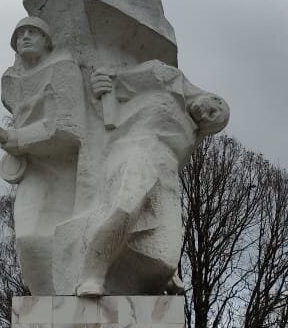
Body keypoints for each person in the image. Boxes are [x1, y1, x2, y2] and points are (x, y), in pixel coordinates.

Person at [77, 60, 229, 297]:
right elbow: (117, 78)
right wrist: (104, 82)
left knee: (168, 254)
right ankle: (92, 274)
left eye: (210, 120)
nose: (205, 115)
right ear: (215, 98)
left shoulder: (191, 136)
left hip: (166, 178)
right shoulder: (168, 79)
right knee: (125, 209)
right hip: (136, 153)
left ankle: (156, 279)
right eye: (212, 110)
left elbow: (179, 162)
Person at [0, 16, 86, 294]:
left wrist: (20, 139)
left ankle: (72, 303)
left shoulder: (63, 69)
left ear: (47, 39)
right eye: (20, 35)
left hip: (66, 170)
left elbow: (70, 129)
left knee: (64, 242)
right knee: (28, 240)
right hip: (34, 169)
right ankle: (48, 315)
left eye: (33, 32)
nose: (25, 38)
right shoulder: (13, 81)